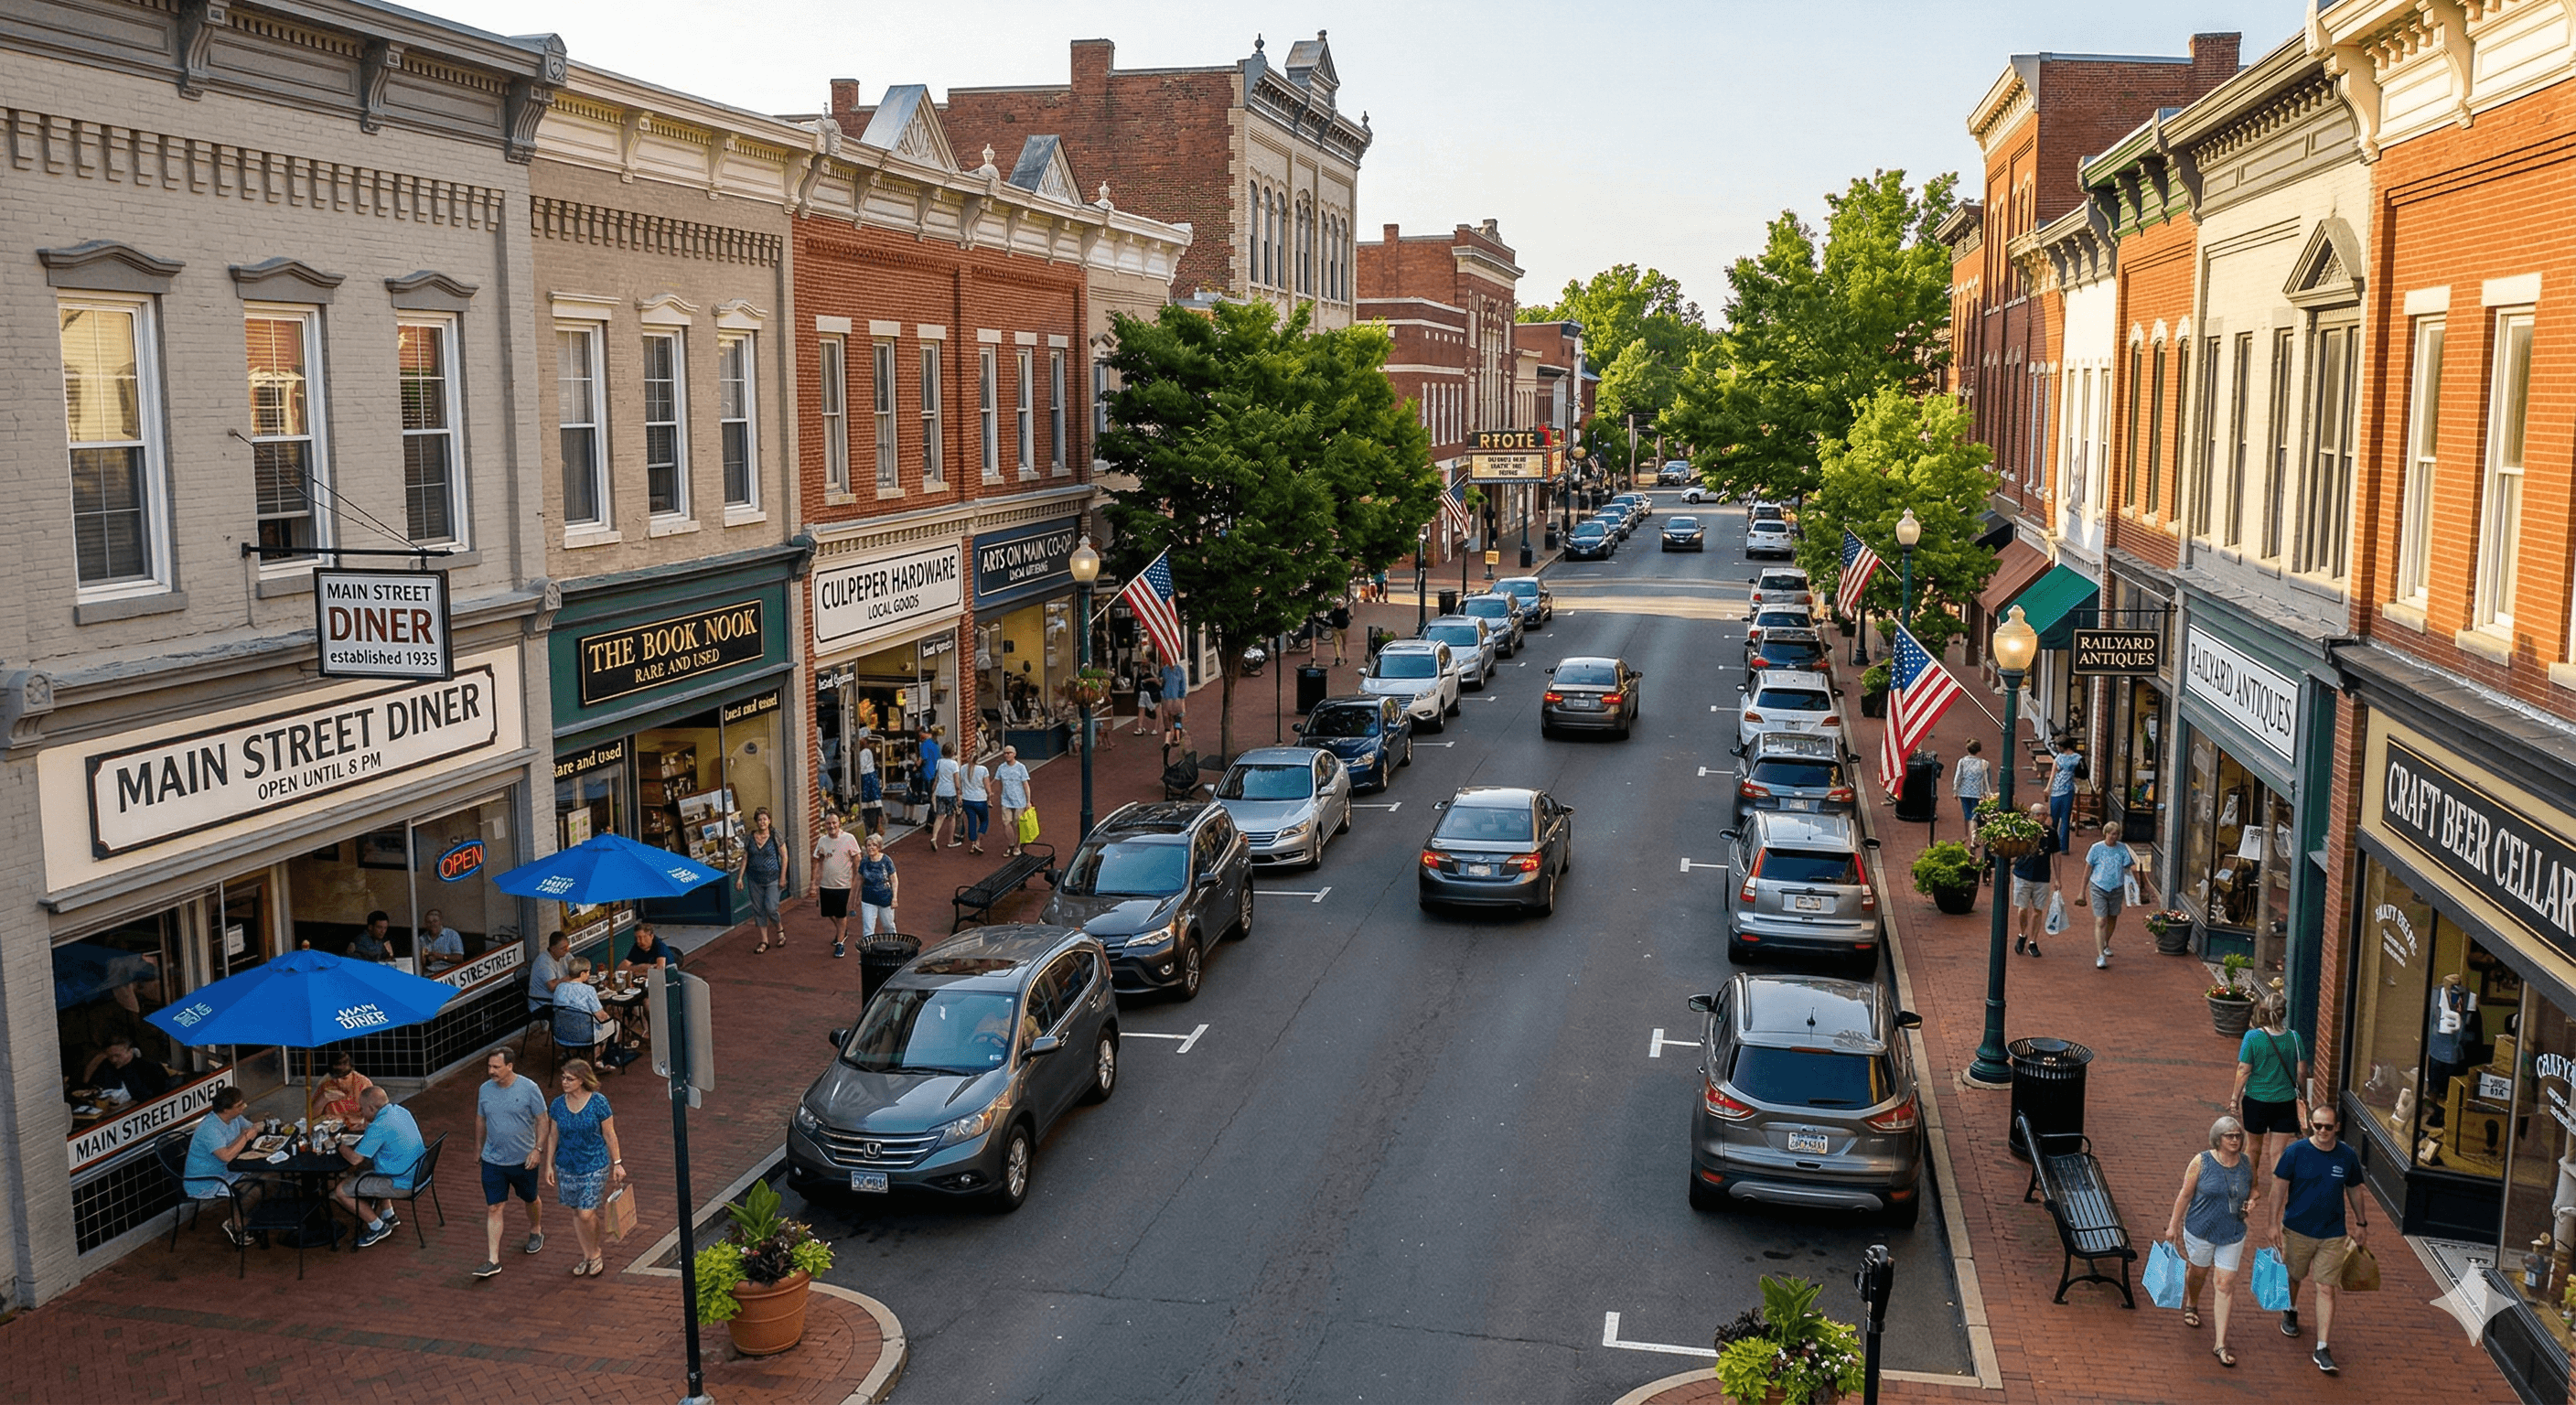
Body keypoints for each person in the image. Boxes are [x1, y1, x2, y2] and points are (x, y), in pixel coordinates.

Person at [2272, 1107, 2367, 1374]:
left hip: (2332, 1234)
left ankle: (2323, 1346)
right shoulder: (2295, 1152)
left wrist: (2361, 1223)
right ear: (2310, 1125)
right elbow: (2278, 1187)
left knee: (2326, 1288)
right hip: (2297, 1229)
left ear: (2337, 1127)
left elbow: (2354, 1190)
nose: (2322, 1131)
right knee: (2294, 1276)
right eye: (2317, 1126)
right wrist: (2272, 1224)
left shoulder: (2347, 1156)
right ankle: (2290, 1309)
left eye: (2328, 1127)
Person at [2163, 1117, 2255, 1367]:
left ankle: (2220, 1343)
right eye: (2230, 1136)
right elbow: (2185, 1194)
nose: (2235, 1140)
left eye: (2238, 1135)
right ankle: (2192, 1303)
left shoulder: (2246, 1163)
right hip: (2200, 1231)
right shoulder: (2201, 1161)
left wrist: (2252, 1200)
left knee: (2225, 1284)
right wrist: (2173, 1225)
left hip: (2233, 1232)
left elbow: (2253, 1188)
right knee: (2198, 1274)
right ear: (2218, 1138)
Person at [538, 1058, 625, 1281]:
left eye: (570, 1078)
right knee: (577, 1211)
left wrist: (617, 1162)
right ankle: (587, 1255)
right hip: (567, 1164)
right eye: (563, 1077)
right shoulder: (558, 1104)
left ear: (582, 1080)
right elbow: (553, 1135)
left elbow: (609, 1133)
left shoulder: (598, 1102)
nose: (564, 1082)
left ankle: (596, 1252)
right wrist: (548, 1165)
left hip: (594, 1163)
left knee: (587, 1212)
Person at [2233, 989, 2309, 1216]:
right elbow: (2302, 1071)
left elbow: (2243, 1070)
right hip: (2285, 1101)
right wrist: (2301, 1092)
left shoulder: (2253, 1037)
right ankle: (2279, 1195)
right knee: (2277, 1153)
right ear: (2284, 1013)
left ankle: (2253, 1188)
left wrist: (2234, 1098)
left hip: (2256, 1100)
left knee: (2253, 1148)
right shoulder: (2294, 1038)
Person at [471, 1047, 546, 1278]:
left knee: (530, 1198)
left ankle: (536, 1230)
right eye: (489, 1066)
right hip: (493, 1160)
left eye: (496, 1067)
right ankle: (493, 1259)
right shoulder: (485, 1089)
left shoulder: (529, 1089)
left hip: (523, 1160)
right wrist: (478, 1147)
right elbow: (481, 1119)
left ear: (510, 1066)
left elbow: (543, 1119)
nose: (491, 1071)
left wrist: (538, 1150)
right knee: (494, 1206)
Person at [335, 1086, 424, 1249]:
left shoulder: (379, 1127)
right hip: (418, 1173)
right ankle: (388, 1214)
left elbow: (355, 1159)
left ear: (370, 1108)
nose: (361, 1113)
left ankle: (377, 1226)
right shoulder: (399, 1111)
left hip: (402, 1182)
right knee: (376, 1164)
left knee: (341, 1191)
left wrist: (337, 1144)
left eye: (362, 1109)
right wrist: (367, 1128)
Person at [182, 1086, 266, 1246]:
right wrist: (245, 1136)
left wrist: (255, 1129)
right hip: (206, 1181)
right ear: (226, 1110)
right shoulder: (210, 1128)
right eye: (239, 1106)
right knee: (253, 1189)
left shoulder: (234, 1118)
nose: (243, 1108)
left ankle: (246, 1216)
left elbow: (250, 1127)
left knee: (266, 1176)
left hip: (226, 1171)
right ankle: (236, 1224)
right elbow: (226, 1156)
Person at [2076, 822, 2135, 970]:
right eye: (2111, 834)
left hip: (2117, 888)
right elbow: (2087, 870)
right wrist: (2082, 891)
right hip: (2098, 887)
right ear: (2105, 833)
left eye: (2116, 834)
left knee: (2113, 917)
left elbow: (2129, 867)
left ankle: (2106, 943)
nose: (2114, 837)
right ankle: (2100, 955)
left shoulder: (2122, 848)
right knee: (2101, 920)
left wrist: (2137, 886)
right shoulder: (2096, 848)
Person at [2008, 800, 2061, 959]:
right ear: (2033, 816)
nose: (2045, 817)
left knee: (2038, 909)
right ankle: (2022, 934)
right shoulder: (2023, 830)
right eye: (2042, 814)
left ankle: (2033, 941)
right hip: (2022, 874)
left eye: (2046, 814)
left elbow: (2056, 855)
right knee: (2022, 908)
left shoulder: (2051, 833)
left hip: (2042, 876)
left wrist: (2058, 878)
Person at [810, 810, 862, 956]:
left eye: (834, 823)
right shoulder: (822, 841)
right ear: (825, 825)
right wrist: (814, 882)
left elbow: (857, 860)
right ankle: (842, 930)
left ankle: (840, 943)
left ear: (839, 823)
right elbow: (817, 861)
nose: (831, 826)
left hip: (843, 885)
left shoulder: (849, 838)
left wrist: (857, 880)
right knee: (828, 913)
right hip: (826, 884)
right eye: (828, 823)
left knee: (841, 914)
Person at [739, 807, 786, 954]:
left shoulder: (775, 835)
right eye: (759, 819)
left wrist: (783, 876)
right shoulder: (750, 838)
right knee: (758, 910)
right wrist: (739, 878)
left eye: (765, 819)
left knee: (771, 908)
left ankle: (780, 930)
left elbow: (785, 856)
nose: (762, 822)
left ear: (769, 820)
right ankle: (764, 940)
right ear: (756, 822)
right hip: (754, 878)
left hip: (773, 877)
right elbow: (745, 857)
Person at [552, 958, 614, 1060]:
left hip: (561, 1034)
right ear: (582, 974)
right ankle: (598, 1058)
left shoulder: (559, 987)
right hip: (584, 1035)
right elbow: (601, 1016)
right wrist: (610, 1019)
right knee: (613, 1024)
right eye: (588, 972)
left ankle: (573, 1053)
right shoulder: (588, 990)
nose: (589, 974)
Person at [84, 1035, 169, 1102]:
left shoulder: (150, 1068)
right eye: (110, 1057)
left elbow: (159, 1093)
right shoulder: (106, 1066)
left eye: (117, 1056)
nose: (113, 1060)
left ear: (130, 1051)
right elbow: (94, 1086)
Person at [855, 833, 898, 952]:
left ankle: (893, 947)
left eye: (874, 845)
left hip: (885, 898)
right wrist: (857, 896)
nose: (871, 848)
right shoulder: (864, 862)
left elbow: (894, 879)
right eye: (868, 845)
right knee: (868, 928)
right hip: (868, 899)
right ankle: (868, 951)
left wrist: (895, 898)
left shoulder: (886, 861)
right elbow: (859, 879)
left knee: (888, 925)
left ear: (879, 846)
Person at [2041, 737, 2085, 849]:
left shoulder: (2059, 758)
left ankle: (2052, 844)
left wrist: (2048, 788)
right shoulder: (2077, 758)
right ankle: (2063, 847)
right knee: (2065, 819)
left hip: (2056, 791)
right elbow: (2082, 774)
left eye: (2058, 745)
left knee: (2054, 819)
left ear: (2063, 746)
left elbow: (2053, 774)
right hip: (2068, 790)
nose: (2057, 747)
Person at [1952, 739, 1991, 847]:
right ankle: (1973, 837)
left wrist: (1955, 791)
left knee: (1967, 814)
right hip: (1978, 793)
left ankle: (1968, 836)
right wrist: (1987, 793)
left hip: (1964, 792)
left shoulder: (1962, 761)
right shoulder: (1984, 764)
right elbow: (1987, 781)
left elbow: (1958, 777)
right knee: (1974, 815)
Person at [995, 745, 1033, 858]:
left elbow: (1026, 785)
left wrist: (1028, 801)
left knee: (1017, 824)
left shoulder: (1021, 767)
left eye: (1009, 753)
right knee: (1006, 822)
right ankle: (1011, 845)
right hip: (1006, 800)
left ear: (1014, 754)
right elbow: (996, 782)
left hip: (1019, 801)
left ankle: (1018, 845)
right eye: (1005, 753)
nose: (1007, 755)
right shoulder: (1001, 768)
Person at [528, 931, 570, 1025]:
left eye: (567, 947)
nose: (566, 950)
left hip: (556, 998)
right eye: (563, 948)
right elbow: (552, 987)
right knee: (575, 1009)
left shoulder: (564, 955)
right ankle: (564, 1037)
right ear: (553, 948)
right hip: (542, 1004)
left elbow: (574, 964)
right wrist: (565, 979)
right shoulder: (544, 962)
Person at [317, 1053, 374, 1121]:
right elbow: (310, 1117)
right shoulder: (326, 1083)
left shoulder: (364, 1084)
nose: (339, 1081)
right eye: (335, 1078)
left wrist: (345, 1120)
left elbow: (373, 1116)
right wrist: (322, 1100)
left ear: (352, 1074)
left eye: (344, 1078)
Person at [960, 751, 993, 856]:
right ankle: (978, 841)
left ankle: (972, 843)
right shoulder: (983, 770)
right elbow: (987, 787)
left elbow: (960, 784)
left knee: (971, 821)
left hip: (967, 800)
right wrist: (990, 795)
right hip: (980, 800)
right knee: (984, 820)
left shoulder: (962, 768)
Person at [930, 747, 963, 850]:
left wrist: (933, 789)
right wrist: (959, 794)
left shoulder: (939, 762)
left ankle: (934, 837)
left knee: (940, 816)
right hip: (950, 792)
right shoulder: (954, 764)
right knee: (951, 817)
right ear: (953, 752)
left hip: (940, 791)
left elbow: (937, 778)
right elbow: (956, 782)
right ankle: (950, 840)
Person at [418, 908, 465, 972]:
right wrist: (423, 959)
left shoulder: (452, 935)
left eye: (435, 921)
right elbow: (420, 963)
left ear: (441, 921)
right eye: (429, 922)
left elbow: (459, 958)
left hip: (448, 973)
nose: (432, 924)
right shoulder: (422, 939)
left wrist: (441, 957)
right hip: (429, 973)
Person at [857, 746, 886, 836]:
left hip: (868, 786)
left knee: (874, 807)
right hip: (868, 787)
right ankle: (872, 827)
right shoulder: (872, 776)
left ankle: (875, 827)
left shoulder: (869, 777)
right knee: (874, 807)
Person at [1160, 657, 1189, 743]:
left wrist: (1181, 697)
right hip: (1167, 698)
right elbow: (1162, 683)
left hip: (1177, 698)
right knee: (1168, 718)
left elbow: (1183, 684)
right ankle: (1175, 733)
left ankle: (1177, 737)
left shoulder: (1180, 670)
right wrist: (1162, 694)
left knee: (1177, 717)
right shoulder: (1165, 670)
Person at [1133, 657, 1163, 737]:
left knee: (1157, 709)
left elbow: (1158, 681)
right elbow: (1136, 680)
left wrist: (1149, 679)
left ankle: (1156, 728)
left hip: (1153, 691)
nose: (1143, 661)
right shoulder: (1138, 669)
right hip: (1143, 692)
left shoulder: (1154, 667)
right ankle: (1140, 728)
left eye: (1145, 659)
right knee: (1141, 708)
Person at [1328, 599, 1354, 667]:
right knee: (1337, 643)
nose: (1339, 606)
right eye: (1338, 604)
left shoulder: (1344, 610)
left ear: (1342, 604)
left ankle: (1345, 657)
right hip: (1336, 629)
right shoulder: (1334, 612)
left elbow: (1349, 615)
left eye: (1340, 604)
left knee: (1344, 644)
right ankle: (1338, 657)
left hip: (1344, 629)